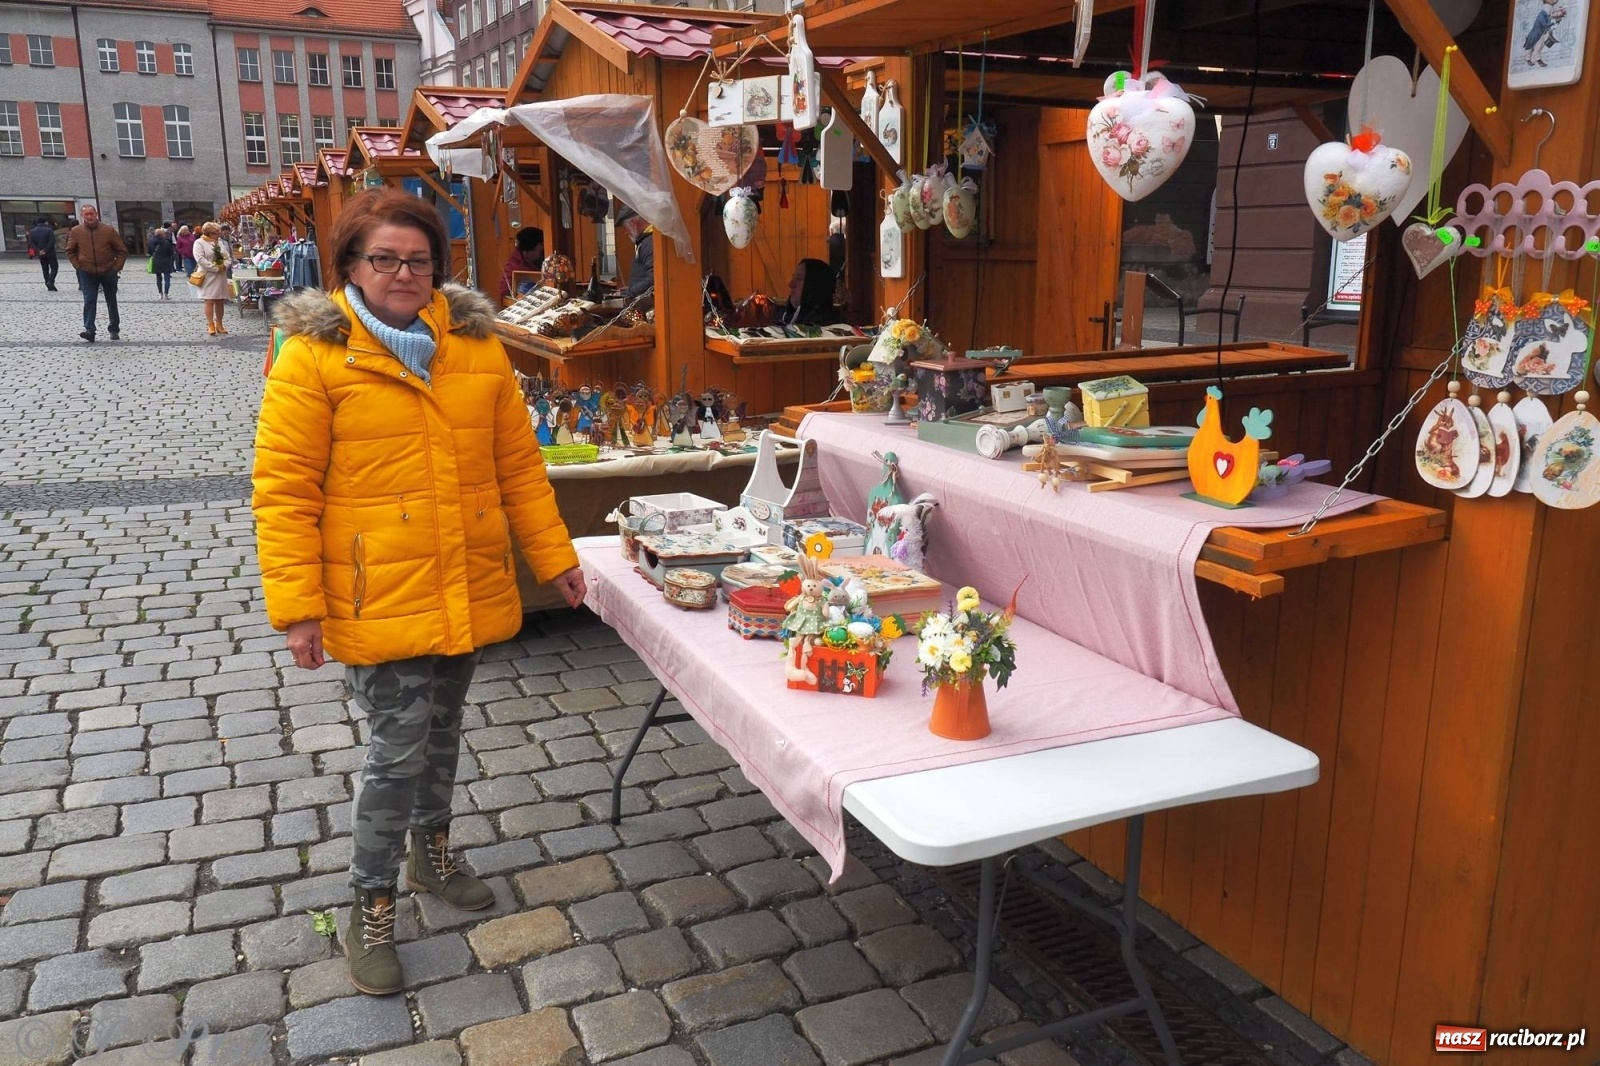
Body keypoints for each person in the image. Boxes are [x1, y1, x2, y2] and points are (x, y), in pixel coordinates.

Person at [252, 187, 586, 997]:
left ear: (438, 266)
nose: (403, 273)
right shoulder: (313, 357)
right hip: (378, 591)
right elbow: (284, 487)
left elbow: (517, 466)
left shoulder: (474, 345)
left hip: (464, 580)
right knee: (394, 753)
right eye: (384, 258)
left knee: (442, 732)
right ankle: (371, 904)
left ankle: (432, 854)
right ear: (350, 267)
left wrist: (556, 558)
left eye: (418, 260)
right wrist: (299, 608)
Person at [65, 205, 127, 343]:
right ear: (82, 215)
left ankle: (114, 328)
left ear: (96, 214)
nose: (89, 217)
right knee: (89, 300)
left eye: (91, 214)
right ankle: (89, 330)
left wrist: (116, 268)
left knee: (111, 300)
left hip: (108, 271)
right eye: (86, 214)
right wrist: (78, 266)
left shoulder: (108, 230)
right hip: (87, 272)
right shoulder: (76, 231)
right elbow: (70, 250)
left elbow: (121, 250)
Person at [776, 258, 843, 327]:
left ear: (814, 285)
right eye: (793, 277)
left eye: (799, 278)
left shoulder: (828, 326)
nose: (791, 284)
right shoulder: (784, 316)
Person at [192, 222, 232, 335]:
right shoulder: (199, 243)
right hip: (208, 275)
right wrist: (214, 268)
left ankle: (219, 323)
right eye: (215, 233)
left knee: (220, 300)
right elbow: (200, 259)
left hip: (220, 276)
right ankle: (210, 324)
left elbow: (227, 257)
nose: (217, 235)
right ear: (208, 233)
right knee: (209, 300)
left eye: (218, 233)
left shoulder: (219, 243)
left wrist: (225, 265)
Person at [498, 226, 545, 301]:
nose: (527, 255)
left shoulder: (547, 257)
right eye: (525, 251)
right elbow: (505, 293)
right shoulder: (515, 263)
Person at [617, 206, 653, 300]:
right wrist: (632, 288)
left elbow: (653, 278)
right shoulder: (646, 241)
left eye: (625, 228)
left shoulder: (648, 242)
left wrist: (630, 292)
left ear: (633, 223)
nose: (625, 232)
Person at [27, 217, 58, 292]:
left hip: (40, 253)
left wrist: (39, 250)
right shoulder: (49, 230)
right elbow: (52, 241)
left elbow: (31, 243)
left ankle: (47, 283)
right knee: (54, 267)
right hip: (50, 252)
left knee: (45, 268)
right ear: (45, 222)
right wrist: (46, 250)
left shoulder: (32, 231)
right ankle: (50, 281)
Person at [148, 227, 177, 300]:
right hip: (166, 261)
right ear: (162, 234)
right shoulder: (167, 242)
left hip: (156, 261)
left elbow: (149, 251)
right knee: (167, 278)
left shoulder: (151, 242)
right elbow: (171, 253)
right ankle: (166, 294)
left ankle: (160, 294)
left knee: (158, 278)